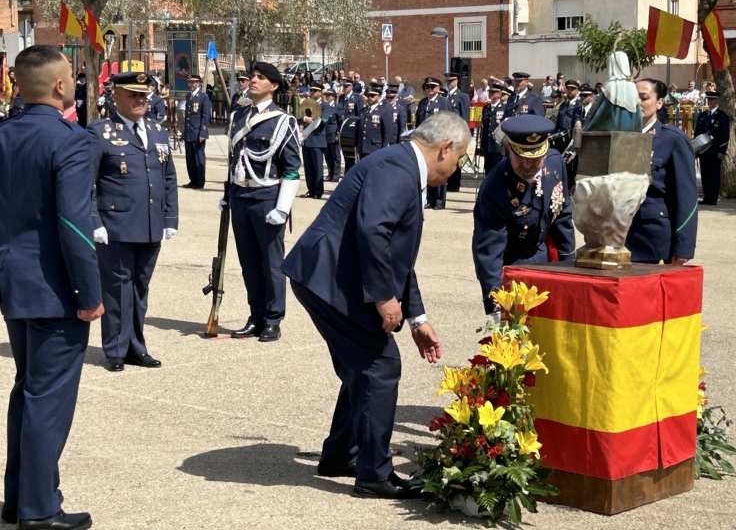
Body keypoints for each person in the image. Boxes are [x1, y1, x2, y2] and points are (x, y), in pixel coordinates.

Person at [282, 112, 467, 499]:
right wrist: (384, 298)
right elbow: (373, 230)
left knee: (362, 366)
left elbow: (398, 256)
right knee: (380, 366)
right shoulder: (398, 167)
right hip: (328, 278)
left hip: (330, 277)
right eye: (459, 158)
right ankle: (374, 474)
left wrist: (417, 317)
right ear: (445, 148)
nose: (455, 169)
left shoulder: (401, 165)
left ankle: (340, 456)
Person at [0, 44, 103, 530]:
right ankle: (40, 509)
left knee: (28, 391)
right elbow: (74, 224)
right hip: (56, 288)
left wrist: (2, 267)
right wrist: (89, 295)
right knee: (47, 398)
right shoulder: (70, 139)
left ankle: (19, 497)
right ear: (59, 86)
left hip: (15, 280)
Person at [87, 71, 178, 372]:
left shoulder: (156, 129)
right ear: (116, 97)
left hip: (150, 222)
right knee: (116, 288)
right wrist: (94, 221)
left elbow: (167, 176)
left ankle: (136, 347)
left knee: (140, 288)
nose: (140, 100)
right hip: (115, 224)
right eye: (133, 95)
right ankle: (115, 348)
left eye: (144, 95)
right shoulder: (100, 131)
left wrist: (170, 217)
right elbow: (87, 181)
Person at [472, 115, 575, 319]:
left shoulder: (555, 165)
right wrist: (495, 307)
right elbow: (488, 253)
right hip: (513, 266)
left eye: (535, 158)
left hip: (545, 259)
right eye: (521, 158)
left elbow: (562, 216)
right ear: (509, 149)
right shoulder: (495, 188)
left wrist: (569, 270)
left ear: (545, 153)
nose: (527, 165)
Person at [228, 63, 301, 343]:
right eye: (253, 77)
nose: (254, 81)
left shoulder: (283, 121)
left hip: (267, 196)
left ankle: (273, 318)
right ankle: (255, 316)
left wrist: (282, 208)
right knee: (248, 262)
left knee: (271, 263)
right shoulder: (238, 116)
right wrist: (228, 194)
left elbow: (292, 168)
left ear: (273, 86)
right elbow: (235, 160)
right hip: (241, 196)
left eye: (261, 78)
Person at [626, 79, 697, 264]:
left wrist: (684, 246)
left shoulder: (672, 140)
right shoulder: (620, 137)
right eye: (633, 97)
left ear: (659, 103)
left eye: (644, 97)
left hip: (652, 239)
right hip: (617, 237)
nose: (637, 102)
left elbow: (686, 197)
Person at [416, 76, 452, 209]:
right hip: (426, 142)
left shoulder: (443, 102)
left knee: (440, 169)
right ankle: (430, 199)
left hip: (439, 140)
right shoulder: (423, 103)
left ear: (437, 88)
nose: (429, 89)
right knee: (428, 170)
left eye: (432, 87)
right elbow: (418, 123)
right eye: (427, 87)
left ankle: (439, 200)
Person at [694, 90, 730, 205]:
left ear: (717, 101)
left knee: (714, 174)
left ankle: (713, 197)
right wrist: (696, 150)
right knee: (705, 174)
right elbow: (697, 134)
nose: (710, 101)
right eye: (708, 99)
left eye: (712, 99)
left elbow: (724, 134)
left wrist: (722, 150)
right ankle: (706, 196)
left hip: (715, 150)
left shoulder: (721, 116)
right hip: (704, 150)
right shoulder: (702, 115)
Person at [299, 81, 327, 199]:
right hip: (307, 139)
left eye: (315, 91)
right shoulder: (306, 104)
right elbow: (298, 116)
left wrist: (313, 120)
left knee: (317, 167)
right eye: (311, 90)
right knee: (308, 167)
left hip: (317, 138)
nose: (312, 93)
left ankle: (318, 191)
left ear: (320, 93)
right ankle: (310, 189)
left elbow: (324, 120)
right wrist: (304, 118)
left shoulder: (325, 106)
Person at [183, 74, 211, 189]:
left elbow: (205, 116)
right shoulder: (189, 96)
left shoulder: (203, 97)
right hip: (189, 131)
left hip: (198, 132)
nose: (191, 85)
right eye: (189, 82)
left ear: (198, 83)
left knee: (198, 157)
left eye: (193, 82)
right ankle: (192, 179)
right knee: (189, 157)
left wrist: (203, 132)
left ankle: (200, 181)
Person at [444, 72, 470, 191]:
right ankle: (448, 181)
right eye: (448, 81)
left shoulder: (462, 96)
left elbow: (464, 115)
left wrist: (464, 133)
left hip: (457, 131)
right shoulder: (446, 96)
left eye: (452, 81)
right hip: (446, 132)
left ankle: (454, 184)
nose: (449, 83)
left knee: (456, 158)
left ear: (457, 81)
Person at [355, 82, 394, 160]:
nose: (369, 97)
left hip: (375, 147)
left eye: (372, 96)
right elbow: (357, 129)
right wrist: (356, 144)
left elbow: (387, 131)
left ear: (378, 97)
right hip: (363, 147)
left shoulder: (383, 111)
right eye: (368, 95)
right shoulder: (363, 111)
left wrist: (384, 147)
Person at [480, 83, 506, 174]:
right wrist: (482, 144)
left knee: (498, 169)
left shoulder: (504, 107)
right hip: (487, 144)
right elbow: (484, 127)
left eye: (493, 92)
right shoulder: (486, 108)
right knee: (488, 170)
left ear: (499, 94)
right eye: (490, 92)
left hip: (498, 145)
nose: (490, 94)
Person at [322, 86, 344, 182]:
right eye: (326, 95)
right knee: (328, 156)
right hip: (325, 133)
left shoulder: (337, 107)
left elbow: (341, 121)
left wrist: (338, 133)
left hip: (333, 132)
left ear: (334, 97)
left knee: (335, 155)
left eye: (329, 95)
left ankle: (336, 175)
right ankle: (330, 173)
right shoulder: (324, 106)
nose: (327, 96)